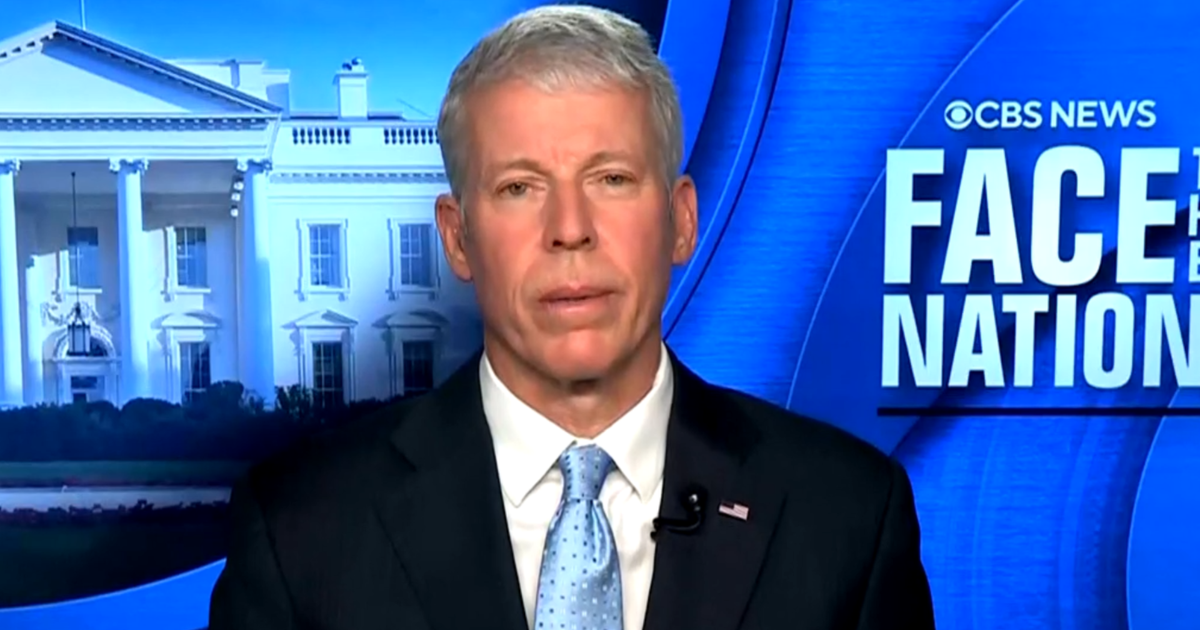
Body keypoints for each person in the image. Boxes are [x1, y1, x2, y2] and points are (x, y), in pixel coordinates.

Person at [208, 5, 936, 629]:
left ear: (682, 221)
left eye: (611, 179)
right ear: (458, 239)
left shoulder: (844, 515)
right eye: (520, 187)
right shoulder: (303, 527)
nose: (570, 229)